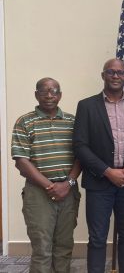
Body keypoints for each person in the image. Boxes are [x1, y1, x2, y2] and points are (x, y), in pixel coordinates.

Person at [73, 59, 124, 273]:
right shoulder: (86, 105)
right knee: (97, 238)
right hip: (99, 183)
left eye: (120, 73)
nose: (116, 76)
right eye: (111, 72)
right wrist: (107, 171)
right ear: (103, 75)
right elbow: (80, 145)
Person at [11, 77, 81, 272]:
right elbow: (21, 161)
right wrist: (50, 186)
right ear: (36, 95)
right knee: (42, 249)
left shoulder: (72, 121)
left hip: (68, 191)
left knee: (64, 246)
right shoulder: (24, 121)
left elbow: (81, 156)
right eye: (44, 91)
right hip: (38, 193)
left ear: (60, 95)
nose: (49, 95)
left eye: (54, 91)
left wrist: (68, 183)